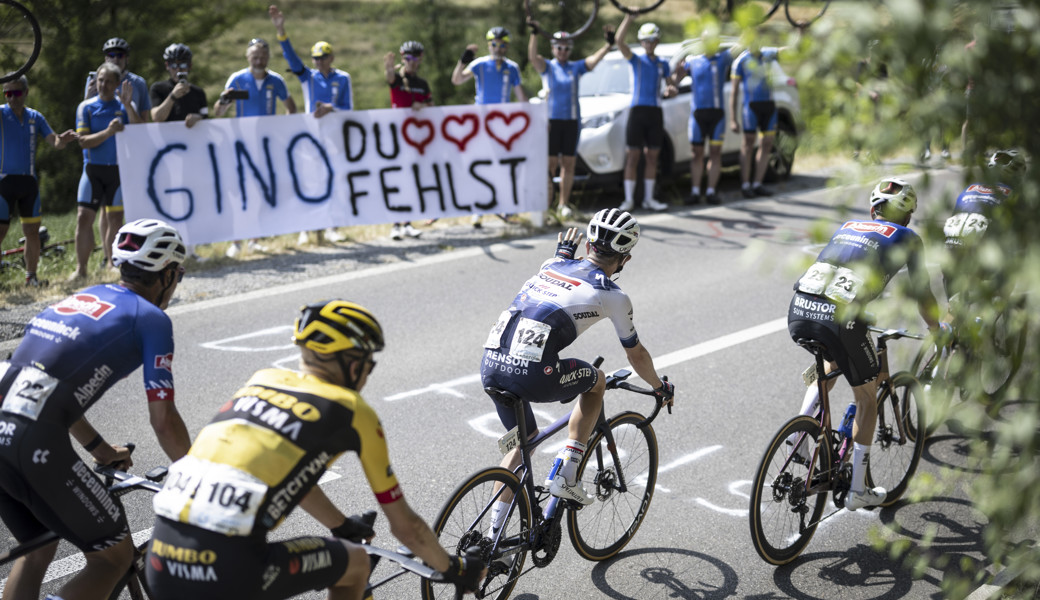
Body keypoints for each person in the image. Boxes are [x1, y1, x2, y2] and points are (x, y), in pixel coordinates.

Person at [144, 300, 483, 600]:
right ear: (353, 362)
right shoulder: (352, 411)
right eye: (369, 363)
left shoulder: (262, 379)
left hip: (160, 561)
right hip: (228, 571)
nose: (368, 374)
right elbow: (408, 529)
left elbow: (291, 474)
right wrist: (455, 568)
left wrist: (341, 525)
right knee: (357, 563)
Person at [0, 219, 192, 600]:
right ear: (168, 274)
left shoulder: (83, 297)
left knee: (38, 547)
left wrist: (100, 449)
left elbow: (50, 389)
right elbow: (164, 420)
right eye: (179, 275)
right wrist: (200, 476)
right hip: (32, 440)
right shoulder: (151, 319)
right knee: (113, 557)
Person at [481, 210, 675, 510]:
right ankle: (567, 475)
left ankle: (494, 531)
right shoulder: (613, 295)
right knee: (597, 382)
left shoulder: (551, 264)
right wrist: (659, 387)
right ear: (625, 259)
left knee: (524, 443)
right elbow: (635, 354)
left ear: (588, 246)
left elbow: (559, 268)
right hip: (532, 374)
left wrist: (563, 254)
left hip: (490, 365)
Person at [788, 177, 942, 511]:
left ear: (873, 210)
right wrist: (937, 328)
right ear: (907, 216)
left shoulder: (848, 226)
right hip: (840, 319)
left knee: (830, 364)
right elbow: (923, 294)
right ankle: (858, 490)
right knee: (867, 398)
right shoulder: (908, 238)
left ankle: (799, 436)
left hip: (799, 309)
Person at [269, 4, 351, 245]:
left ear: (331, 58)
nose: (318, 62)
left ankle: (333, 226)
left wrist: (330, 108)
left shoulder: (343, 78)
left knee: (333, 179)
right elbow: (292, 59)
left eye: (322, 58)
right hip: (310, 136)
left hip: (333, 136)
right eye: (315, 58)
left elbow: (349, 108)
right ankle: (305, 228)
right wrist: (281, 32)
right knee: (307, 181)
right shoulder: (308, 77)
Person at [215, 37, 297, 257]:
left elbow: (291, 107)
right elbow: (218, 112)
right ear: (247, 56)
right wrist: (223, 100)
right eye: (255, 56)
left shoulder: (276, 80)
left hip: (266, 145)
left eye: (262, 56)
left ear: (268, 57)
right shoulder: (237, 79)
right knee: (240, 190)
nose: (259, 60)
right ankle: (236, 241)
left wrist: (282, 131)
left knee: (260, 191)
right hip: (241, 143)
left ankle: (255, 239)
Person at [527, 23, 611, 218]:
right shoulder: (548, 67)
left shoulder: (575, 67)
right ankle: (547, 203)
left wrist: (608, 45)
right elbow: (532, 57)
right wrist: (535, 35)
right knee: (550, 164)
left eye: (566, 48)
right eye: (559, 48)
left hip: (572, 121)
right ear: (553, 49)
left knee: (568, 163)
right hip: (552, 122)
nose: (562, 51)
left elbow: (592, 61)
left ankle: (563, 204)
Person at [1, 75, 77, 287]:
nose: (12, 98)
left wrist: (62, 140)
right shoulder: (1, 113)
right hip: (4, 182)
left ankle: (31, 277)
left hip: (28, 183)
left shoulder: (35, 117)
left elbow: (55, 142)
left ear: (25, 92)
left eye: (16, 93)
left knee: (32, 233)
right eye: (7, 93)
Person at [72, 62, 143, 280]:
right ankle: (81, 269)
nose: (103, 85)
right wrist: (108, 132)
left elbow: (140, 131)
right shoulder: (86, 107)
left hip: (118, 171)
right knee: (84, 217)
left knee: (115, 219)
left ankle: (112, 263)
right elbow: (83, 142)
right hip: (93, 170)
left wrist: (128, 106)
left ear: (117, 84)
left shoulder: (124, 106)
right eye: (100, 80)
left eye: (109, 82)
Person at [451, 26, 528, 228]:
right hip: (481, 121)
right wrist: (462, 61)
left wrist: (533, 117)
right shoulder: (480, 64)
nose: (498, 48)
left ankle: (506, 207)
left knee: (503, 165)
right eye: (494, 44)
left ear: (507, 46)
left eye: (502, 45)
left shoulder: (512, 67)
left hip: (502, 122)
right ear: (489, 45)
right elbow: (457, 80)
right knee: (480, 164)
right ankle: (478, 210)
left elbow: (521, 97)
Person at [941, 149, 1025, 305]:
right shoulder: (1013, 194)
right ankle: (991, 315)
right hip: (981, 254)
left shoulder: (969, 188)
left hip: (950, 251)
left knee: (955, 308)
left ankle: (953, 316)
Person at [669, 22, 734, 206]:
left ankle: (711, 191)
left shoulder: (723, 58)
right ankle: (695, 191)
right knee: (696, 153)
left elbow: (741, 44)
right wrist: (676, 77)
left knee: (715, 153)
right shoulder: (692, 60)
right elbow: (674, 82)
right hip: (698, 114)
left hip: (717, 114)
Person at [615, 15, 674, 213]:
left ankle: (649, 199)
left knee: (652, 157)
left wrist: (672, 89)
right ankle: (628, 200)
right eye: (646, 41)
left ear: (657, 41)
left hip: (655, 112)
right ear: (641, 42)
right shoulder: (636, 60)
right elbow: (619, 41)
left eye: (652, 40)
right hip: (637, 111)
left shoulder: (663, 63)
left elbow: (671, 86)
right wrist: (628, 18)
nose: (649, 44)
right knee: (632, 156)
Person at [386, 39, 433, 240]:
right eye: (408, 58)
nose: (411, 62)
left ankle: (407, 223)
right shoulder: (398, 79)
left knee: (412, 180)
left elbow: (432, 106)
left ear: (420, 60)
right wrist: (389, 68)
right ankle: (395, 224)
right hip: (397, 138)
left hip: (417, 139)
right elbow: (390, 78)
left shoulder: (422, 84)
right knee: (398, 180)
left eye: (415, 58)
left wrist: (422, 107)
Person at [730, 41, 783, 198]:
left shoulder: (768, 54)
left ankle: (758, 183)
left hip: (769, 105)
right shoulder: (740, 60)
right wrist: (733, 119)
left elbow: (790, 50)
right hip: (751, 106)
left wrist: (800, 33)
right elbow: (734, 92)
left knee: (767, 143)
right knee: (748, 143)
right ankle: (745, 184)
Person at [84, 37, 151, 123]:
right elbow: (85, 115)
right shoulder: (94, 80)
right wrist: (88, 98)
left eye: (120, 55)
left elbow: (145, 121)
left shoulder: (139, 83)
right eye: (111, 55)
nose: (116, 59)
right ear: (106, 59)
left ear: (127, 59)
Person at [150, 43, 209, 128]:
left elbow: (206, 118)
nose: (178, 69)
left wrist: (198, 118)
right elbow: (156, 118)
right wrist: (173, 96)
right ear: (167, 65)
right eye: (173, 65)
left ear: (190, 66)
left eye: (183, 65)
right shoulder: (158, 88)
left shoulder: (199, 92)